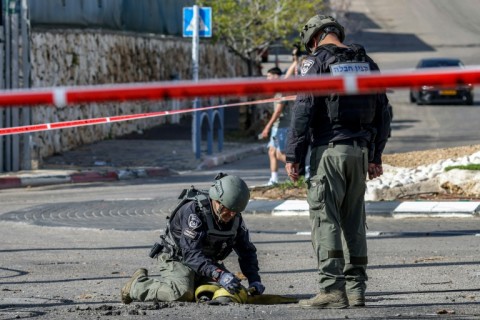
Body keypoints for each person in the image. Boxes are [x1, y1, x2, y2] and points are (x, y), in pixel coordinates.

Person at [285, 14, 391, 309]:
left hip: (328, 153)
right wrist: (375, 155)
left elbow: (303, 109)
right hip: (359, 154)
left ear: (314, 38)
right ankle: (357, 290)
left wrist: (293, 155)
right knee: (354, 222)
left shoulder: (315, 62)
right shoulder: (367, 62)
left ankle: (331, 289)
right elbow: (383, 113)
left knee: (325, 220)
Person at [121, 173, 265, 304]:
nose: (231, 215)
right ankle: (137, 285)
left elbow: (247, 251)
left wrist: (254, 280)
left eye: (235, 212)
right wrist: (218, 274)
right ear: (216, 199)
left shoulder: (235, 218)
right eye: (227, 209)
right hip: (178, 259)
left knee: (234, 291)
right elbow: (191, 254)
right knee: (180, 293)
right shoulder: (194, 212)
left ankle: (195, 283)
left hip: (206, 263)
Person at [260, 67, 293, 185]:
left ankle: (299, 170)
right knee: (271, 152)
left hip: (282, 127)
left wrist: (267, 127)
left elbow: (278, 111)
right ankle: (274, 179)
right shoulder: (277, 89)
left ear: (275, 76)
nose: (267, 79)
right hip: (277, 127)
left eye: (269, 76)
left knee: (280, 154)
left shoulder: (281, 90)